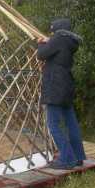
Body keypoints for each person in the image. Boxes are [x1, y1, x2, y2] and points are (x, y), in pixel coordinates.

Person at [37, 18, 86, 169]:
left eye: (52, 31)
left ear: (57, 30)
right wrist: (48, 41)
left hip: (55, 85)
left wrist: (40, 43)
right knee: (71, 123)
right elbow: (55, 49)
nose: (51, 34)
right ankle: (78, 157)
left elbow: (42, 55)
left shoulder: (58, 39)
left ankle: (67, 159)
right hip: (66, 85)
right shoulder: (70, 41)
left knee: (54, 124)